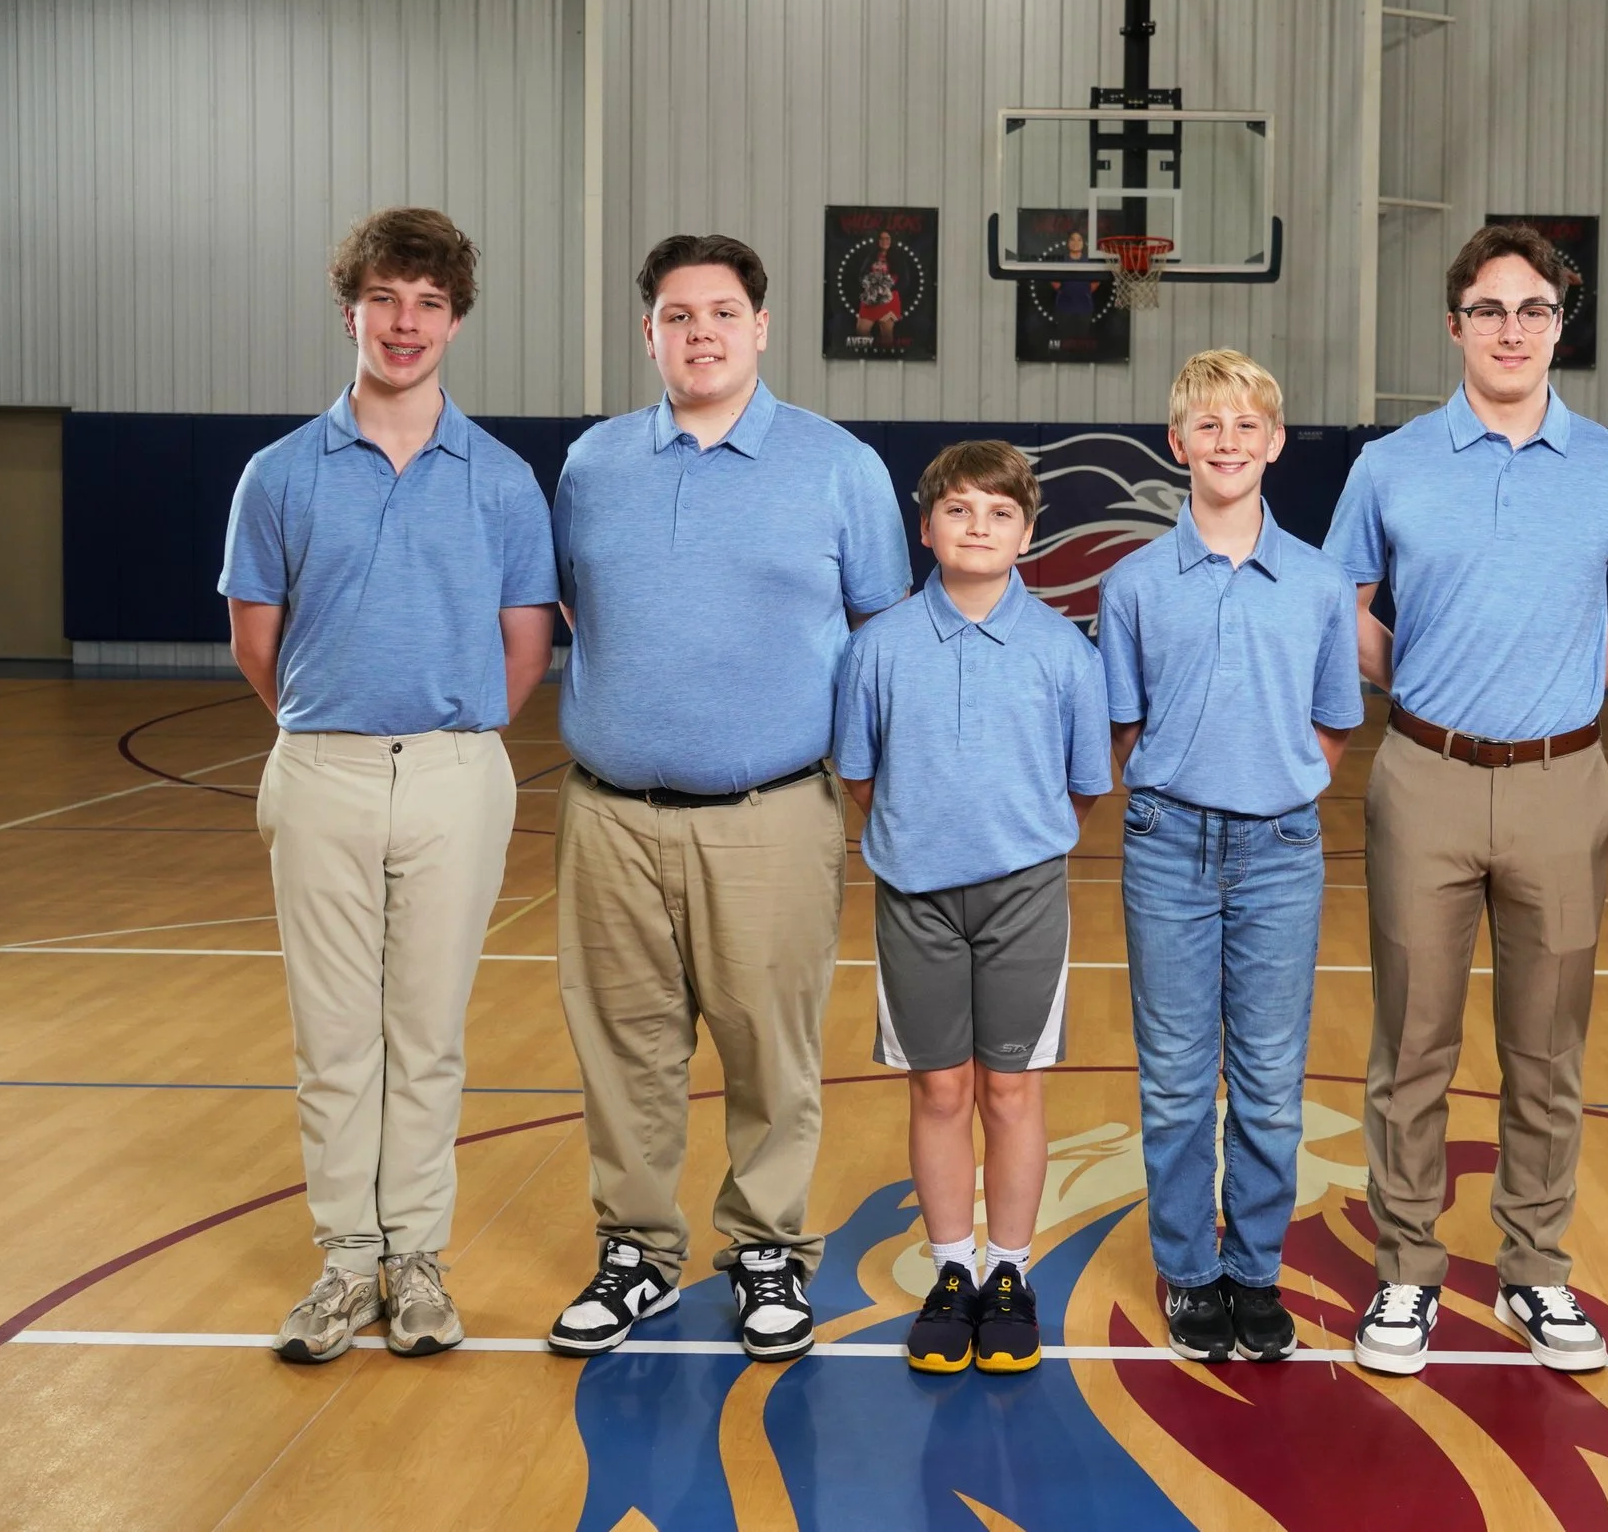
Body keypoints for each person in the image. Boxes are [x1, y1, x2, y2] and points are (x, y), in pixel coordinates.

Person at [544, 233, 910, 1362]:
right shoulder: (595, 464)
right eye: (675, 314)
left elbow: (883, 635)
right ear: (647, 333)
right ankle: (638, 1253)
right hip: (608, 816)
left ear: (761, 327)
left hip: (772, 813)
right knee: (625, 1050)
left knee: (770, 1049)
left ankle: (766, 1251)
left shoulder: (837, 466)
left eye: (719, 311)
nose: (698, 331)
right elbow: (571, 609)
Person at [1323, 221, 1608, 1378]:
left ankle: (1535, 1270)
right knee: (1411, 1042)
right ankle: (1406, 1271)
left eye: (1532, 310)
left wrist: (1575, 681)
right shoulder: (1390, 464)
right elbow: (1345, 604)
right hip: (1422, 776)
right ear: (1454, 325)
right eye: (1489, 309)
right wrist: (1413, 682)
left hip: (1562, 781)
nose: (1511, 328)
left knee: (1546, 1047)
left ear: (1559, 326)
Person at [220, 207, 557, 1365]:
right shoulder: (277, 473)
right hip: (321, 768)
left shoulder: (504, 479)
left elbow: (525, 646)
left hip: (461, 771)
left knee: (425, 1035)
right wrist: (334, 737)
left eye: (428, 302)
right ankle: (343, 1261)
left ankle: (416, 1257)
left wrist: (450, 743)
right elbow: (255, 642)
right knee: (332, 1039)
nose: (404, 322)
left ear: (455, 318)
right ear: (351, 307)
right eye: (385, 299)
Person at [1099, 351, 1362, 1363]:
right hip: (1167, 846)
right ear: (1176, 444)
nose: (1226, 442)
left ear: (1275, 442)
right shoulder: (1132, 584)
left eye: (1245, 425)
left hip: (1280, 850)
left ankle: (1253, 1269)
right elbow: (1126, 729)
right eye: (1206, 425)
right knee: (1173, 1079)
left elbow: (1332, 724)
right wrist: (1187, 787)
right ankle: (1189, 1269)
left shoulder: (1317, 581)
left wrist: (1274, 785)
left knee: (1265, 1077)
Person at [835, 441, 1111, 1375]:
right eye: (958, 511)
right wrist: (928, 844)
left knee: (1010, 1087)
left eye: (999, 514)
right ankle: (951, 1269)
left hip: (1024, 898)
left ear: (1028, 533)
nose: (978, 528)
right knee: (941, 1086)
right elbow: (862, 777)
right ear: (927, 527)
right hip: (915, 898)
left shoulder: (1066, 652)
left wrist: (1006, 842)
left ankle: (1009, 1271)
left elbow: (1080, 787)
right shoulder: (877, 648)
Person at [856, 228, 903, 345]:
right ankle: (866, 357)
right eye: (881, 238)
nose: (884, 241)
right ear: (877, 241)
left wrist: (887, 288)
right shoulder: (871, 257)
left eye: (887, 238)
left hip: (888, 299)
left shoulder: (898, 257)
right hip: (871, 298)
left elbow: (904, 279)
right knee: (861, 331)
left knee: (887, 335)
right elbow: (862, 275)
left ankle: (886, 361)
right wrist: (869, 285)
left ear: (892, 240)